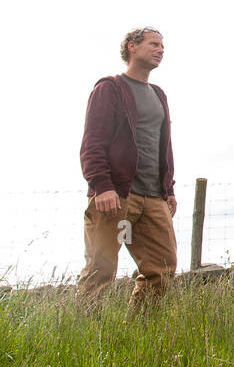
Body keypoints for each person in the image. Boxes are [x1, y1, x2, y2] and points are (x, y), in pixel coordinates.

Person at [76, 26, 178, 308]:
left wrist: (168, 189)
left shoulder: (159, 95)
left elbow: (162, 145)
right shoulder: (110, 88)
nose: (160, 50)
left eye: (162, 47)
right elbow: (93, 142)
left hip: (153, 199)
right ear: (132, 47)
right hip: (117, 197)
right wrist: (102, 186)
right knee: (101, 270)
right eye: (154, 44)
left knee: (163, 270)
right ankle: (86, 339)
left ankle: (139, 331)